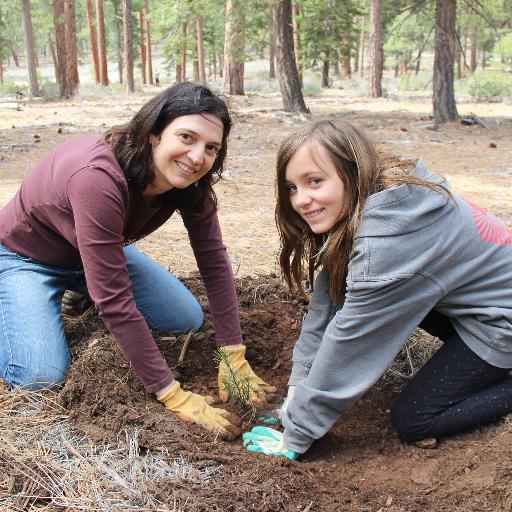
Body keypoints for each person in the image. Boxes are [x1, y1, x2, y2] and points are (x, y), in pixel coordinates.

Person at [0, 82, 276, 440]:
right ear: (154, 133)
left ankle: (80, 291)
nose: (196, 157)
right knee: (40, 378)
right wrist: (171, 393)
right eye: (186, 137)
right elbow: (115, 302)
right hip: (26, 256)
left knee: (185, 319)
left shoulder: (191, 185)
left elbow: (214, 262)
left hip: (96, 250)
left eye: (211, 148)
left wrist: (233, 353)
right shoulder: (97, 179)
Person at [243, 118, 512, 459]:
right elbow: (327, 304)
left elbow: (351, 340)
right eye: (292, 187)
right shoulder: (383, 195)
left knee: (414, 419)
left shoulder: (388, 242)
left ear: (350, 171)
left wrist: (296, 435)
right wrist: (296, 394)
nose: (301, 200)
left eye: (314, 181)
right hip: (483, 299)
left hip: (502, 321)